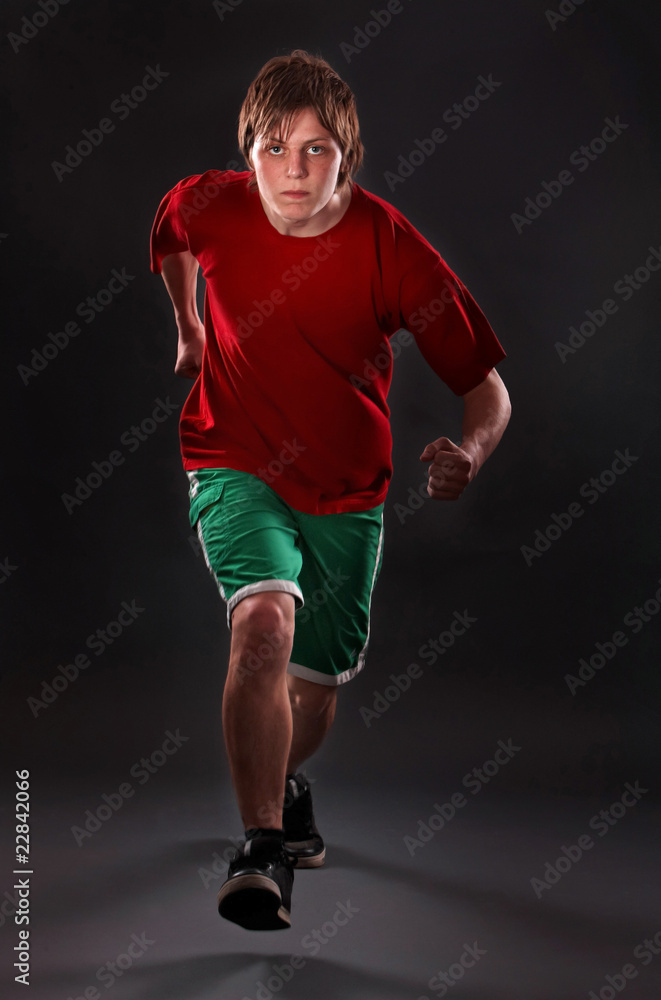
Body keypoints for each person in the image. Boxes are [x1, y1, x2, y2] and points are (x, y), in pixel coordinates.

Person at [150, 49, 510, 932]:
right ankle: (263, 850)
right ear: (248, 152)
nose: (292, 170)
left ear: (347, 155)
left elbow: (488, 391)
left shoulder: (392, 249)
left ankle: (282, 787)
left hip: (348, 490)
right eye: (273, 148)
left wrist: (469, 450)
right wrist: (190, 325)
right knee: (262, 625)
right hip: (230, 454)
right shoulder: (211, 204)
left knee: (311, 694)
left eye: (314, 150)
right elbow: (170, 236)